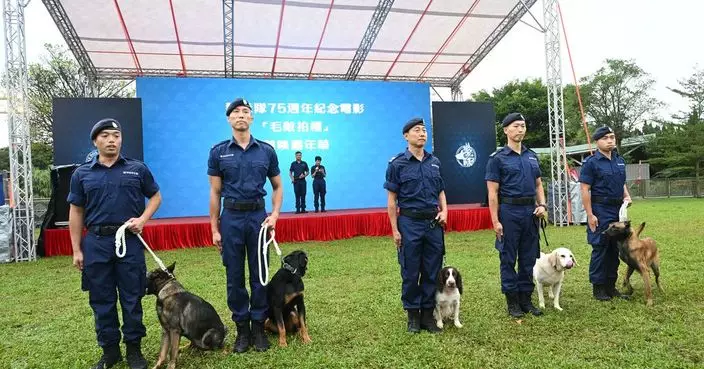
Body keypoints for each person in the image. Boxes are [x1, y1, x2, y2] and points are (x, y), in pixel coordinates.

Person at [68, 118, 162, 369]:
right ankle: (110, 351)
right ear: (95, 141)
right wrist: (77, 249)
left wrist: (143, 219)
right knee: (101, 299)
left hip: (129, 242)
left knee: (132, 297)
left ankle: (134, 351)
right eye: (106, 136)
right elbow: (76, 211)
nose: (112, 140)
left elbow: (155, 196)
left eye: (116, 135)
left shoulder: (137, 169)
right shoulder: (82, 173)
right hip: (96, 243)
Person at [208, 98, 283, 353]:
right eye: (236, 112)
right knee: (234, 276)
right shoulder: (218, 151)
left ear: (251, 118)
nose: (241, 115)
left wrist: (274, 215)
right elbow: (215, 192)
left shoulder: (266, 150)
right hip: (231, 218)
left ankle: (259, 328)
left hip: (258, 217)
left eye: (246, 112)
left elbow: (277, 186)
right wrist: (215, 228)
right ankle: (242, 330)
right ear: (229, 119)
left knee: (260, 274)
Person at [384, 117, 448, 333]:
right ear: (406, 136)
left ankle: (427, 316)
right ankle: (412, 315)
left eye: (424, 130)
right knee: (410, 271)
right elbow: (392, 200)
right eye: (416, 130)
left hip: (432, 223)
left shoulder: (434, 162)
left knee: (432, 270)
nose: (422, 134)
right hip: (409, 222)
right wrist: (395, 229)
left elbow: (440, 190)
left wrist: (445, 211)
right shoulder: (397, 163)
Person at [485, 112, 546, 318]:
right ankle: (512, 302)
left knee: (528, 258)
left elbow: (538, 184)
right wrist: (495, 220)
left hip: (530, 213)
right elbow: (492, 193)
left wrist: (543, 205)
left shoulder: (532, 156)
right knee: (508, 258)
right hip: (509, 212)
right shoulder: (497, 159)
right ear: (505, 130)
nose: (520, 129)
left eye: (523, 125)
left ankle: (526, 299)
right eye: (516, 126)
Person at [579, 126, 632, 301]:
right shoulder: (591, 163)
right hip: (600, 209)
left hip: (617, 210)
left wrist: (626, 194)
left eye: (612, 137)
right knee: (600, 248)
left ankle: (611, 286)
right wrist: (590, 214)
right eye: (605, 138)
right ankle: (599, 288)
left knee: (615, 249)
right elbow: (585, 189)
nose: (610, 140)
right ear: (597, 141)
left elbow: (621, 182)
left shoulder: (619, 160)